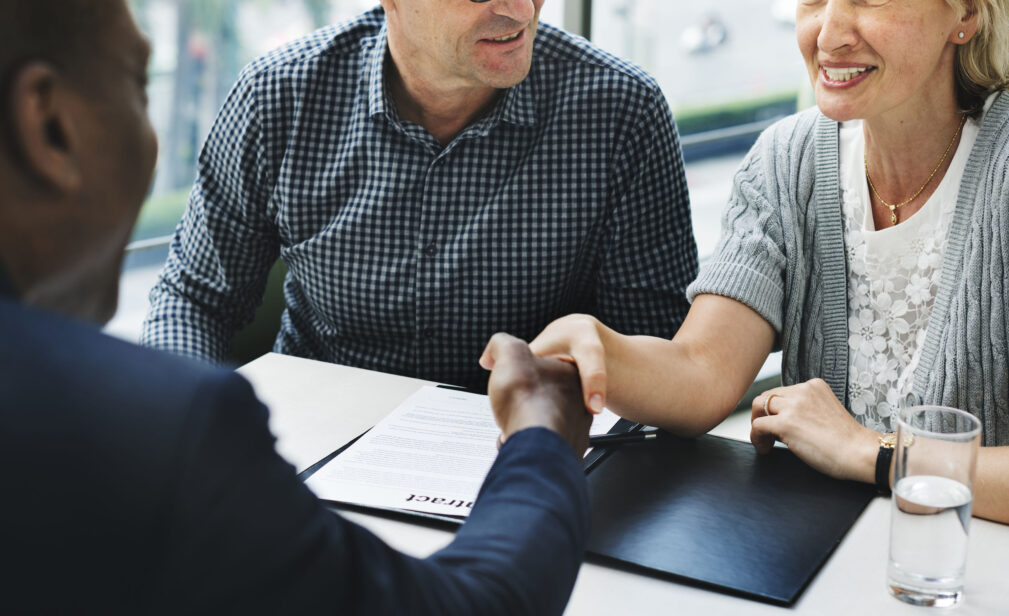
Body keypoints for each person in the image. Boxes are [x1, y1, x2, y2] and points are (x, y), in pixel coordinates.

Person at [0, 1, 594, 612]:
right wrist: (541, 433)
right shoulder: (157, 430)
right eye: (138, 85)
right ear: (49, 125)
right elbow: (475, 606)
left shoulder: (612, 107)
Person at [513, 0, 1009, 527]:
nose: (828, 35)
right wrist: (599, 349)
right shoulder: (786, 159)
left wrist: (876, 455)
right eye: (813, 1)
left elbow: (866, 456)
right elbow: (701, 372)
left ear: (965, 16)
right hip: (817, 562)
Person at [139, 0, 698, 392]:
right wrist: (191, 430)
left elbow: (651, 350)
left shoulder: (622, 112)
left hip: (521, 451)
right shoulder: (277, 97)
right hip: (313, 445)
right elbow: (194, 300)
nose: (522, 9)